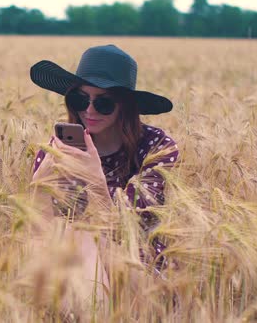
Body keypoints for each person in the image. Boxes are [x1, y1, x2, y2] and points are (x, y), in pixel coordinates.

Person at [28, 44, 179, 318]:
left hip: (141, 274)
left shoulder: (157, 147)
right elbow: (38, 235)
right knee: (69, 234)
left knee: (82, 234)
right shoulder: (58, 149)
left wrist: (96, 181)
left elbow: (126, 233)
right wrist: (39, 186)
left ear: (126, 106)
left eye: (104, 102)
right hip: (70, 272)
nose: (89, 110)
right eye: (80, 99)